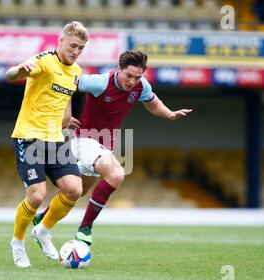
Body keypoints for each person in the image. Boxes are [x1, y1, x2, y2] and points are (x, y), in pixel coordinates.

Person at [33, 50, 192, 245]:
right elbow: (67, 84)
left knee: (78, 191)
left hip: (104, 144)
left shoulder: (141, 86)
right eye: (129, 76)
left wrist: (169, 114)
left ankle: (41, 219)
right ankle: (85, 229)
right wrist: (65, 115)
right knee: (116, 174)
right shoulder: (100, 82)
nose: (132, 81)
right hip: (84, 140)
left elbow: (153, 103)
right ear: (119, 69)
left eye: (137, 77)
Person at [5, 21, 89, 268]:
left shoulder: (76, 71)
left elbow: (65, 98)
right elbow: (11, 75)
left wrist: (66, 119)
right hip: (30, 136)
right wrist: (19, 69)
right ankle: (17, 243)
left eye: (80, 48)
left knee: (75, 189)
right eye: (73, 45)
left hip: (56, 137)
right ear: (61, 41)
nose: (75, 51)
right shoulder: (43, 60)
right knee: (36, 196)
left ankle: (42, 231)